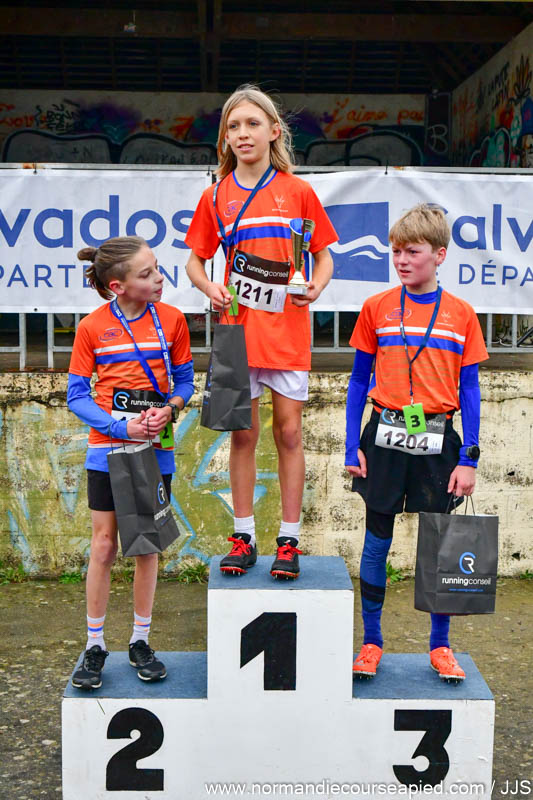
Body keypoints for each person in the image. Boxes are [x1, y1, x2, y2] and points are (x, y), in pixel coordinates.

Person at [185, 84, 337, 579]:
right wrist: (209, 287)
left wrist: (316, 286)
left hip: (287, 330)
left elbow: (323, 257)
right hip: (237, 333)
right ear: (225, 139)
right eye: (233, 126)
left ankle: (289, 541)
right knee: (243, 436)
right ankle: (243, 536)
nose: (243, 133)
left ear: (274, 131)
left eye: (252, 124)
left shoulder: (299, 192)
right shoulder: (216, 196)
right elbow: (194, 263)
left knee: (288, 432)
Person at [345, 204, 488, 682]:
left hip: (438, 441)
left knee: (440, 549)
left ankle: (440, 646)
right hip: (383, 440)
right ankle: (371, 642)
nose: (402, 260)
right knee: (376, 543)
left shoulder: (461, 314)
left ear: (439, 255)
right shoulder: (377, 307)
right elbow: (358, 380)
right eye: (396, 252)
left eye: (412, 252)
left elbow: (470, 390)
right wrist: (350, 444)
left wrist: (469, 457)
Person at [68, 235, 194, 689]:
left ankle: (141, 640)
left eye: (157, 267)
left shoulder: (173, 320)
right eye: (147, 274)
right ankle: (95, 645)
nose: (159, 278)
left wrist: (171, 409)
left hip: (155, 450)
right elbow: (76, 395)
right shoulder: (92, 328)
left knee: (146, 546)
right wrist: (118, 427)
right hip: (107, 449)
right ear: (118, 286)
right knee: (104, 546)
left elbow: (185, 381)